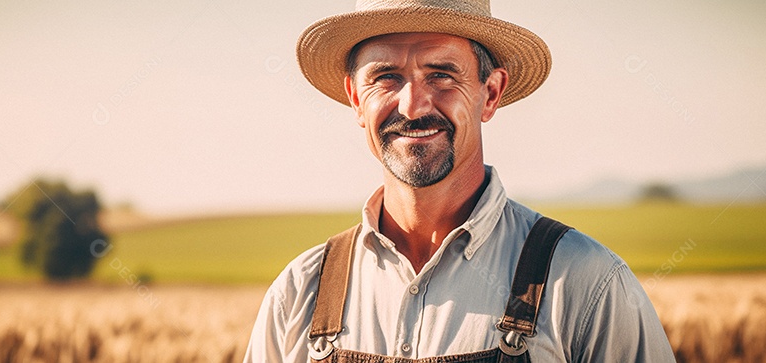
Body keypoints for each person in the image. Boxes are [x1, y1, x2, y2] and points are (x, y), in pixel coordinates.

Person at [244, 0, 675, 362]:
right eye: (386, 78)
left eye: (441, 75)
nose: (412, 107)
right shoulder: (299, 292)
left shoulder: (587, 283)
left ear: (490, 93)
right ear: (356, 99)